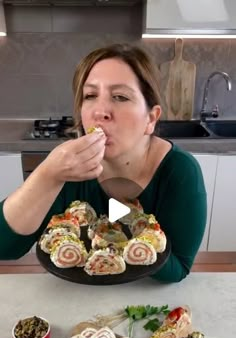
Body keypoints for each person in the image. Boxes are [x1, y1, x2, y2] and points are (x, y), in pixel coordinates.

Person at [0, 43, 207, 282]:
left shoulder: (179, 171)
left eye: (120, 96)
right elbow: (5, 248)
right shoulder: (68, 168)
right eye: (90, 96)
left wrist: (125, 220)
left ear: (151, 119)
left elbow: (178, 268)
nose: (100, 111)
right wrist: (47, 175)